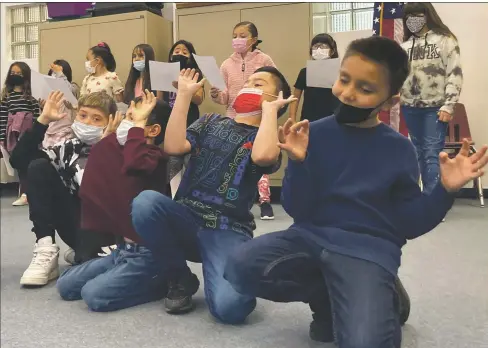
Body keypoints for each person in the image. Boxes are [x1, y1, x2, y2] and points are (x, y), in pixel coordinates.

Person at [224, 36, 488, 348]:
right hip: (311, 236)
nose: (348, 93)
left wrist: (445, 191)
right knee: (239, 267)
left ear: (389, 100)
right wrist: (301, 163)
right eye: (344, 79)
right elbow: (297, 209)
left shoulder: (398, 150)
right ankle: (326, 299)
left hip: (367, 250)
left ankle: (387, 294)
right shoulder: (313, 133)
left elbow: (408, 223)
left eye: (365, 89)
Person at [131, 66, 295, 322]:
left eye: (259, 83)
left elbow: (263, 156)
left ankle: (230, 266)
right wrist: (184, 96)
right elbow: (173, 146)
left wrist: (270, 112)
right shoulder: (210, 121)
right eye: (248, 81)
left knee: (231, 309)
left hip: (227, 228)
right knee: (146, 203)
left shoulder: (268, 138)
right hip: (186, 216)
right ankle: (180, 278)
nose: (249, 85)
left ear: (277, 98)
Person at [56, 91, 173, 312]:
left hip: (147, 253)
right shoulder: (124, 149)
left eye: (137, 118)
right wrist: (109, 136)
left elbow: (135, 163)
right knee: (66, 286)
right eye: (128, 115)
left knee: (94, 296)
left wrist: (135, 130)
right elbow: (98, 168)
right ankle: (122, 271)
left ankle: (160, 281)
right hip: (122, 249)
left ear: (153, 130)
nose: (128, 122)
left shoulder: (153, 156)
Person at [10, 91, 122, 287]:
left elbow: (102, 193)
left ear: (110, 121)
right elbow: (18, 160)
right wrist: (42, 121)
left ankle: (83, 251)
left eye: (96, 119)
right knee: (38, 166)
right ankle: (45, 248)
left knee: (90, 270)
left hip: (107, 228)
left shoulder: (122, 149)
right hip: (75, 221)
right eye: (83, 115)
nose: (87, 122)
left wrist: (105, 146)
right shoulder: (68, 147)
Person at [211, 21, 277, 221]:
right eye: (235, 35)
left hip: (258, 118)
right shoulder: (226, 64)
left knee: (259, 161)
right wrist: (216, 95)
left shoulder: (264, 60)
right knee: (234, 162)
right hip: (234, 118)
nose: (237, 39)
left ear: (253, 39)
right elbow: (225, 97)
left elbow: (274, 86)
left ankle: (265, 202)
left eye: (242, 35)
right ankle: (234, 202)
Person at [400, 2, 463, 195]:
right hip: (409, 106)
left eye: (417, 15)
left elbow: (454, 73)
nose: (413, 20)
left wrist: (449, 105)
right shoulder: (404, 46)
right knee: (419, 152)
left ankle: (432, 198)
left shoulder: (446, 41)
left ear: (427, 15)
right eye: (409, 16)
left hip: (435, 107)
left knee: (431, 153)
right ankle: (427, 195)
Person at [164, 40, 205, 190]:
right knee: (172, 160)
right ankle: (174, 195)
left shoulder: (195, 74)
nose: (179, 53)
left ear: (190, 57)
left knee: (189, 158)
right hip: (168, 122)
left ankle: (190, 192)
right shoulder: (165, 72)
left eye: (184, 51)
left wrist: (185, 90)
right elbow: (160, 98)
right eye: (176, 51)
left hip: (189, 121)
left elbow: (199, 99)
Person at [0, 61, 40, 206]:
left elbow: (37, 117)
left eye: (19, 73)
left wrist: (36, 135)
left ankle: (27, 193)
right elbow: (3, 117)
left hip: (28, 135)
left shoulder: (31, 99)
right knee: (19, 163)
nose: (15, 76)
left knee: (27, 162)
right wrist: (2, 137)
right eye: (13, 73)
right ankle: (25, 192)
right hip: (12, 135)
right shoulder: (6, 98)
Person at [289, 33, 340, 123]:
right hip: (308, 119)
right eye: (315, 46)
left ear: (332, 51)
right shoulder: (304, 72)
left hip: (333, 119)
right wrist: (292, 119)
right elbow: (295, 97)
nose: (319, 49)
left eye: (323, 46)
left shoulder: (340, 72)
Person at [41, 59, 80, 148]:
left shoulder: (73, 87)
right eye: (53, 73)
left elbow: (67, 90)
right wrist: (42, 106)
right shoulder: (48, 91)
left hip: (65, 131)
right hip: (49, 131)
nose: (54, 76)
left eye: (57, 73)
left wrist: (60, 74)